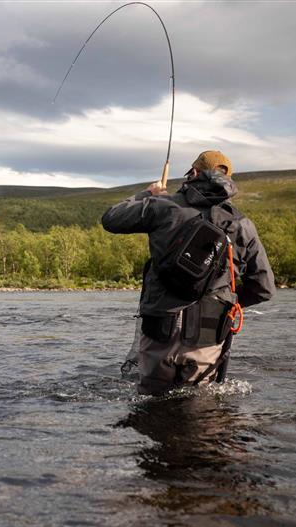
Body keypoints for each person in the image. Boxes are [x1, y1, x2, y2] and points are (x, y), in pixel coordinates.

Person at [101, 150, 275, 395]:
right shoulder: (242, 224)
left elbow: (111, 218)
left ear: (193, 173)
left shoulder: (162, 206)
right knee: (202, 413)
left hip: (159, 329)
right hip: (209, 334)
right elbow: (264, 287)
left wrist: (148, 194)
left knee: (152, 410)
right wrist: (225, 304)